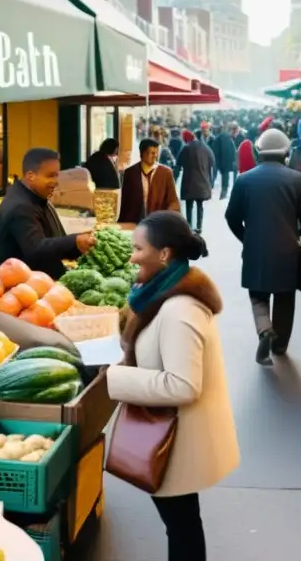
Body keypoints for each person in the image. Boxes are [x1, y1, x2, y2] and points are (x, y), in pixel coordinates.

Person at [106, 211, 239, 561]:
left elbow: (182, 385)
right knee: (181, 522)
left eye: (138, 249)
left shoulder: (180, 309)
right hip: (172, 430)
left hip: (179, 436)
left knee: (181, 524)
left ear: (163, 254)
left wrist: (111, 377)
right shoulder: (162, 291)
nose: (131, 257)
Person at [225, 129, 301, 365]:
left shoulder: (244, 180)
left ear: (259, 153)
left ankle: (264, 329)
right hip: (288, 249)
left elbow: (231, 217)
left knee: (258, 295)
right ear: (286, 154)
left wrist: (247, 238)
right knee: (285, 297)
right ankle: (280, 345)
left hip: (255, 248)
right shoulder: (298, 179)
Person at [0, 148, 96, 279]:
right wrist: (74, 241)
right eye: (50, 175)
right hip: (20, 286)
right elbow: (36, 249)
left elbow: (52, 241)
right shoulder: (20, 207)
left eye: (57, 175)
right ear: (31, 176)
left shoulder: (36, 197)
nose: (56, 182)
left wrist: (80, 244)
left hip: (36, 280)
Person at [118, 139, 181, 224]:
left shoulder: (166, 173)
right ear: (142, 153)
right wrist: (122, 222)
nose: (155, 156)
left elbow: (173, 200)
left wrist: (169, 218)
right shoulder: (130, 172)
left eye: (156, 152)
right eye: (151, 153)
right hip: (135, 221)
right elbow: (125, 200)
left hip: (158, 222)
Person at [176, 129, 215, 233]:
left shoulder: (186, 148)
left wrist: (174, 179)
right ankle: (199, 226)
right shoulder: (207, 149)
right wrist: (211, 182)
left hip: (189, 182)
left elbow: (178, 164)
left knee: (189, 205)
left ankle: (189, 225)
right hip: (202, 181)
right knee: (200, 205)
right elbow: (212, 164)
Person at [210, 124, 237, 199]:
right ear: (231, 130)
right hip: (223, 163)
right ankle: (223, 194)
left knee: (219, 178)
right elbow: (225, 152)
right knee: (224, 179)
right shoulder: (225, 137)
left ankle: (222, 193)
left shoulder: (223, 137)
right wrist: (226, 165)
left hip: (220, 162)